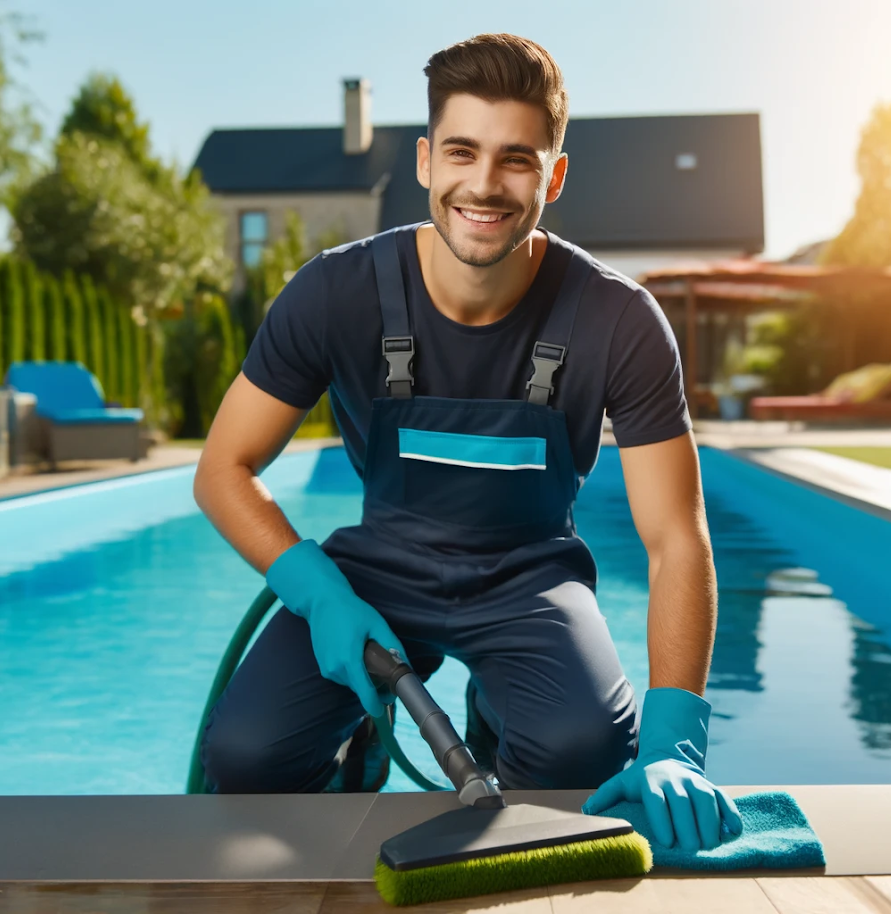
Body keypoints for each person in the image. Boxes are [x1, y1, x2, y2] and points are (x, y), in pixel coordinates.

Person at [193, 32, 741, 852]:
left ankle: (498, 718)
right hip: (376, 572)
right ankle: (356, 754)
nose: (483, 185)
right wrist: (321, 593)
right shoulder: (334, 295)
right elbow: (221, 470)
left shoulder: (618, 321)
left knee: (585, 754)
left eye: (516, 159)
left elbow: (674, 541)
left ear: (553, 175)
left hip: (530, 579)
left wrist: (675, 741)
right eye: (461, 151)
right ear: (424, 161)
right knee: (242, 756)